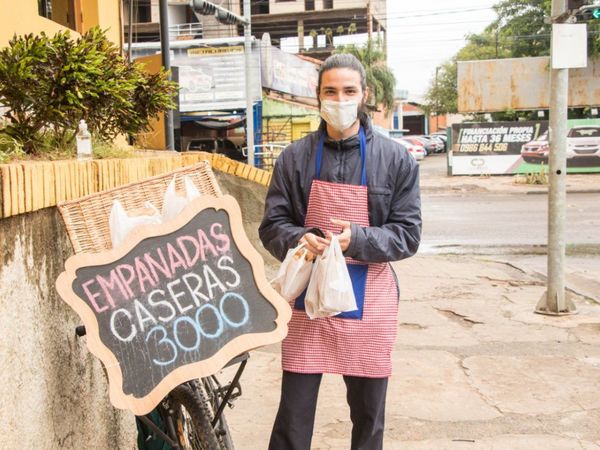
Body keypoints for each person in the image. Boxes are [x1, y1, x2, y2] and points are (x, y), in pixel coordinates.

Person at [258, 53, 422, 450]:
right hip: (307, 302)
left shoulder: (396, 159)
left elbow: (408, 233)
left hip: (370, 300)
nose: (340, 99)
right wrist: (300, 240)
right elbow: (271, 226)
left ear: (364, 95)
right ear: (318, 97)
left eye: (349, 91)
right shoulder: (294, 158)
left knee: (368, 417)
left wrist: (359, 240)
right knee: (293, 419)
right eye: (330, 91)